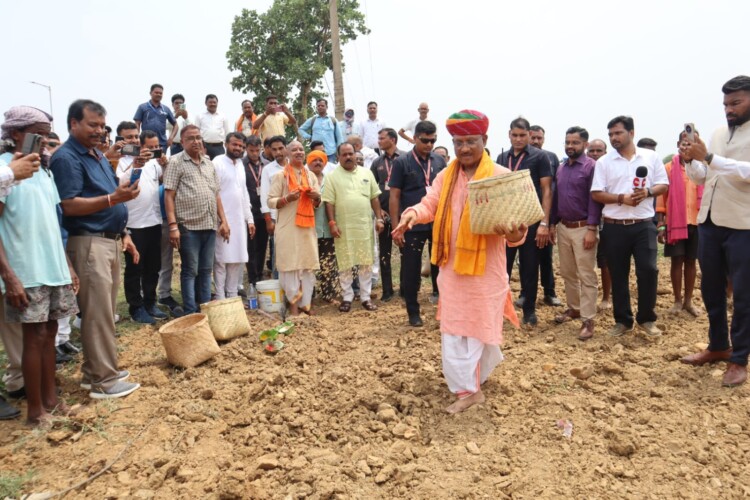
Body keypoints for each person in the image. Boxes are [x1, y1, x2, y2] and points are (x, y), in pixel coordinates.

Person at [392, 109, 527, 414]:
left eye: (470, 141)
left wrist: (517, 230)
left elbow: (519, 231)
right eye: (458, 142)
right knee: (454, 330)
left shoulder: (501, 178)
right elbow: (430, 203)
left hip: (486, 272)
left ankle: (473, 385)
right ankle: (468, 388)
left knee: (478, 327)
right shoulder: (446, 176)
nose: (464, 148)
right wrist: (412, 215)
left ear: (485, 140)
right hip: (452, 269)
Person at [51, 99, 141, 399]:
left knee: (104, 311)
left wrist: (124, 231)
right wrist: (114, 200)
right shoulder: (67, 158)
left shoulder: (98, 156)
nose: (99, 131)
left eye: (102, 126)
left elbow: (111, 193)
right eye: (92, 125)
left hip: (109, 239)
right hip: (88, 241)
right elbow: (69, 205)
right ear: (73, 123)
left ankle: (95, 373)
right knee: (97, 314)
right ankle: (104, 380)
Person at [0, 106, 80, 425]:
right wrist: (9, 276)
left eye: (47, 132)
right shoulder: (6, 170)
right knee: (33, 337)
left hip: (52, 267)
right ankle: (35, 412)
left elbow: (52, 224)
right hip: (26, 270)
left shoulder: (44, 172)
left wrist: (68, 266)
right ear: (16, 134)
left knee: (48, 333)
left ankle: (51, 402)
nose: (45, 139)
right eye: (38, 132)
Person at [681, 75, 750, 387]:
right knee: (711, 289)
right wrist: (689, 161)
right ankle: (718, 345)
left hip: (742, 224)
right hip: (710, 221)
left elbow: (745, 172)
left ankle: (739, 359)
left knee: (744, 295)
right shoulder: (719, 133)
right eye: (725, 104)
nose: (729, 109)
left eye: (736, 103)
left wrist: (708, 157)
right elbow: (702, 177)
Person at [591, 115, 668, 338]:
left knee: (649, 270)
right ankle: (623, 321)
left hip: (644, 225)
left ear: (631, 133)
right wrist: (620, 198)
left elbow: (663, 185)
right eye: (611, 134)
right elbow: (596, 193)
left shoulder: (651, 157)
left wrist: (648, 192)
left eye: (618, 133)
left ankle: (647, 319)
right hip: (614, 227)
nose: (614, 138)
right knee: (618, 273)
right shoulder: (604, 162)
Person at [164, 124, 230, 313]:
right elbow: (169, 195)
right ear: (182, 142)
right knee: (190, 270)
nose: (196, 141)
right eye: (191, 138)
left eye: (198, 137)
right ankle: (191, 311)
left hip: (209, 225)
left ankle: (205, 309)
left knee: (205, 270)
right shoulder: (175, 162)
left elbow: (216, 194)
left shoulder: (209, 163)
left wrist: (223, 221)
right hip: (188, 227)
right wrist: (173, 226)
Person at [497, 117, 553, 325]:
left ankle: (529, 310)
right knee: (502, 267)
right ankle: (500, 309)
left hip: (530, 220)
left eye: (522, 135)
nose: (518, 139)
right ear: (509, 135)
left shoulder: (540, 158)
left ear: (529, 135)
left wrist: (544, 223)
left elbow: (547, 190)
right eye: (515, 135)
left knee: (530, 267)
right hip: (507, 221)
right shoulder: (502, 158)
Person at [390, 120, 446, 326]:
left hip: (437, 222)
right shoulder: (401, 162)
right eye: (425, 140)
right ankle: (413, 312)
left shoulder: (439, 161)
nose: (429, 145)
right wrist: (398, 227)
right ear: (414, 138)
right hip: (412, 224)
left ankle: (443, 306)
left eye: (433, 141)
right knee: (411, 268)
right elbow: (394, 196)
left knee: (440, 265)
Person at [549, 127, 602, 340]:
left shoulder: (592, 167)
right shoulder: (562, 168)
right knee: (568, 272)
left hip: (583, 229)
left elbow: (595, 200)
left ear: (585, 145)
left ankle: (588, 319)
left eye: (575, 143)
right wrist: (552, 224)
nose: (570, 146)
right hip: (563, 227)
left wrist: (591, 228)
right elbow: (555, 198)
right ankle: (574, 307)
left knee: (586, 274)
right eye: (567, 142)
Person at [323, 143, 384, 312]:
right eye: (345, 154)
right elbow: (329, 202)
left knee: (365, 261)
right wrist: (332, 223)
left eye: (351, 154)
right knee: (345, 262)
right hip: (344, 228)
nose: (348, 157)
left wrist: (379, 218)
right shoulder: (332, 177)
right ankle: (347, 297)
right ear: (338, 157)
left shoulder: (366, 173)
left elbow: (374, 198)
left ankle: (365, 297)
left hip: (364, 226)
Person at [115, 130, 168, 324]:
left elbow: (166, 180)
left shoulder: (155, 164)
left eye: (156, 147)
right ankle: (136, 307)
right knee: (134, 269)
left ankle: (150, 302)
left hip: (154, 221)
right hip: (133, 224)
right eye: (149, 147)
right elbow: (122, 183)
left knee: (153, 267)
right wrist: (136, 164)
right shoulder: (122, 162)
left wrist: (165, 164)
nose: (153, 151)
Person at [268, 141, 321, 315]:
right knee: (290, 266)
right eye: (294, 149)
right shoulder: (280, 176)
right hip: (287, 227)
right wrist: (287, 199)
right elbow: (270, 201)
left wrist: (316, 197)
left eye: (301, 149)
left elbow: (317, 202)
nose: (298, 152)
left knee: (306, 265)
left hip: (306, 227)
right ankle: (293, 306)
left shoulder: (311, 176)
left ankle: (306, 304)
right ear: (287, 154)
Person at [656, 130, 703, 317]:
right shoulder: (669, 168)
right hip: (675, 222)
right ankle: (676, 300)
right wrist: (661, 225)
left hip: (697, 222)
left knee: (691, 261)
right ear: (678, 144)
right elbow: (662, 197)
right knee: (677, 261)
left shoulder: (702, 168)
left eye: (692, 142)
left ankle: (688, 301)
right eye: (685, 142)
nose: (687, 146)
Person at [213, 132, 255, 300]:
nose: (238, 149)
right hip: (222, 220)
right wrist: (222, 221)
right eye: (235, 145)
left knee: (236, 259)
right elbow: (214, 192)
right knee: (222, 261)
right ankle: (220, 298)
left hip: (238, 221)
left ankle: (232, 297)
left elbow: (243, 192)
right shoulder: (217, 163)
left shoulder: (239, 165)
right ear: (226, 144)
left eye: (241, 146)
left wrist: (249, 219)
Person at [529, 124, 562, 307]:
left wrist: (550, 222)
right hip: (524, 217)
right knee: (527, 259)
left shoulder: (550, 157)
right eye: (533, 137)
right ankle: (526, 295)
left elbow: (554, 189)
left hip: (544, 215)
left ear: (544, 139)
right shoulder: (517, 157)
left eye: (539, 138)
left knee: (546, 256)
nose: (535, 141)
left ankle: (549, 293)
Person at [370, 128, 405, 302]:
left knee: (406, 253)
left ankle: (406, 289)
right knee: (385, 253)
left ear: (392, 139)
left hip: (403, 215)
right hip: (384, 214)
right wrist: (378, 212)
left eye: (382, 138)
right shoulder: (377, 162)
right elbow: (371, 189)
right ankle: (387, 291)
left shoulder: (406, 157)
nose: (379, 141)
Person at [309, 150, 338, 302]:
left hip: (327, 228)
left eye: (320, 160)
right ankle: (310, 294)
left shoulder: (330, 179)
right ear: (308, 162)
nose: (318, 162)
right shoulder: (304, 179)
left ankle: (328, 292)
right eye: (314, 160)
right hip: (309, 229)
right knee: (310, 262)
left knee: (328, 260)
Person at [587, 139, 612, 310]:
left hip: (606, 222)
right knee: (586, 263)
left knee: (605, 262)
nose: (595, 154)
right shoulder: (584, 168)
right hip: (586, 222)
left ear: (605, 152)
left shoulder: (609, 169)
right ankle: (586, 299)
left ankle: (606, 298)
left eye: (599, 150)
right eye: (592, 151)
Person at [259, 136, 289, 275]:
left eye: (280, 148)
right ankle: (279, 287)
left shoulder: (296, 165)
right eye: (274, 149)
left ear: (286, 148)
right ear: (270, 151)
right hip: (276, 218)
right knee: (278, 255)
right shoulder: (268, 170)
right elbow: (265, 196)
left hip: (296, 216)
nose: (278, 152)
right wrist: (268, 220)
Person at [243, 135, 268, 287]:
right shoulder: (240, 165)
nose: (254, 154)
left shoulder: (266, 165)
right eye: (251, 150)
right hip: (249, 211)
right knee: (250, 246)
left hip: (263, 211)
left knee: (262, 245)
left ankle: (260, 274)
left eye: (257, 150)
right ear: (246, 149)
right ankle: (252, 278)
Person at [133, 83, 178, 151]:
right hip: (146, 143)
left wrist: (171, 138)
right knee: (146, 160)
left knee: (161, 161)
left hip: (162, 144)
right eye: (156, 92)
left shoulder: (166, 109)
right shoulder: (142, 107)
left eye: (161, 93)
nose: (159, 94)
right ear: (151, 93)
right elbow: (137, 123)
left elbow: (175, 125)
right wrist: (137, 138)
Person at [194, 94, 232, 159]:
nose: (212, 104)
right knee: (204, 167)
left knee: (219, 167)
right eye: (210, 102)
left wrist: (228, 146)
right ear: (206, 103)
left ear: (217, 103)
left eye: (214, 102)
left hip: (219, 147)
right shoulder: (199, 116)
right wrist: (200, 147)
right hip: (204, 147)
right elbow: (196, 132)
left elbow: (227, 132)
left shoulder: (223, 116)